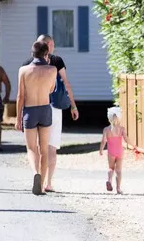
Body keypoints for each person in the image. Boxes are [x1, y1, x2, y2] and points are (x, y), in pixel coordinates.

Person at [36, 34, 79, 192]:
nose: (53, 47)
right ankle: (48, 183)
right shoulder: (57, 61)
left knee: (40, 147)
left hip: (37, 106)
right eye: (51, 44)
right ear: (47, 44)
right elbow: (66, 84)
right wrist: (73, 106)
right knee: (52, 146)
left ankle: (38, 179)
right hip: (54, 107)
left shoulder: (31, 63)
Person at [16, 41, 56, 195]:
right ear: (46, 54)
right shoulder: (52, 69)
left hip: (30, 111)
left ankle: (35, 173)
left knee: (31, 148)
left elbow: (20, 96)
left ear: (32, 53)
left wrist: (18, 118)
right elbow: (51, 89)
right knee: (44, 149)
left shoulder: (23, 70)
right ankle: (41, 186)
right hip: (45, 109)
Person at [100, 106, 130, 194]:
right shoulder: (122, 129)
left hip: (111, 152)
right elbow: (126, 139)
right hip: (119, 151)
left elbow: (103, 141)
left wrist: (101, 150)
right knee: (119, 170)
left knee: (111, 168)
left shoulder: (106, 129)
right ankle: (118, 188)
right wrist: (133, 145)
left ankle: (109, 180)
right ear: (119, 117)